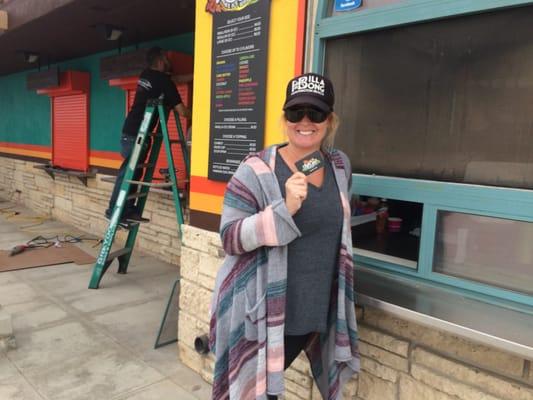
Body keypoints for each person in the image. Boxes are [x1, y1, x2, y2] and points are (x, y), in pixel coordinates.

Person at [209, 73, 360, 400]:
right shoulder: (255, 171)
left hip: (316, 308)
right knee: (258, 393)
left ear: (329, 120)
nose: (305, 121)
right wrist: (283, 209)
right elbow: (230, 237)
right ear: (284, 118)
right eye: (296, 113)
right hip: (267, 311)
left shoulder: (339, 166)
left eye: (316, 113)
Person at [105, 46, 191, 222]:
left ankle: (127, 211)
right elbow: (182, 111)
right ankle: (114, 210)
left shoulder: (147, 74)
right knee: (128, 174)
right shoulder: (163, 81)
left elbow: (173, 79)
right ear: (160, 61)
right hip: (136, 136)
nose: (169, 63)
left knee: (134, 174)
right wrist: (200, 113)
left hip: (131, 132)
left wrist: (196, 75)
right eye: (166, 60)